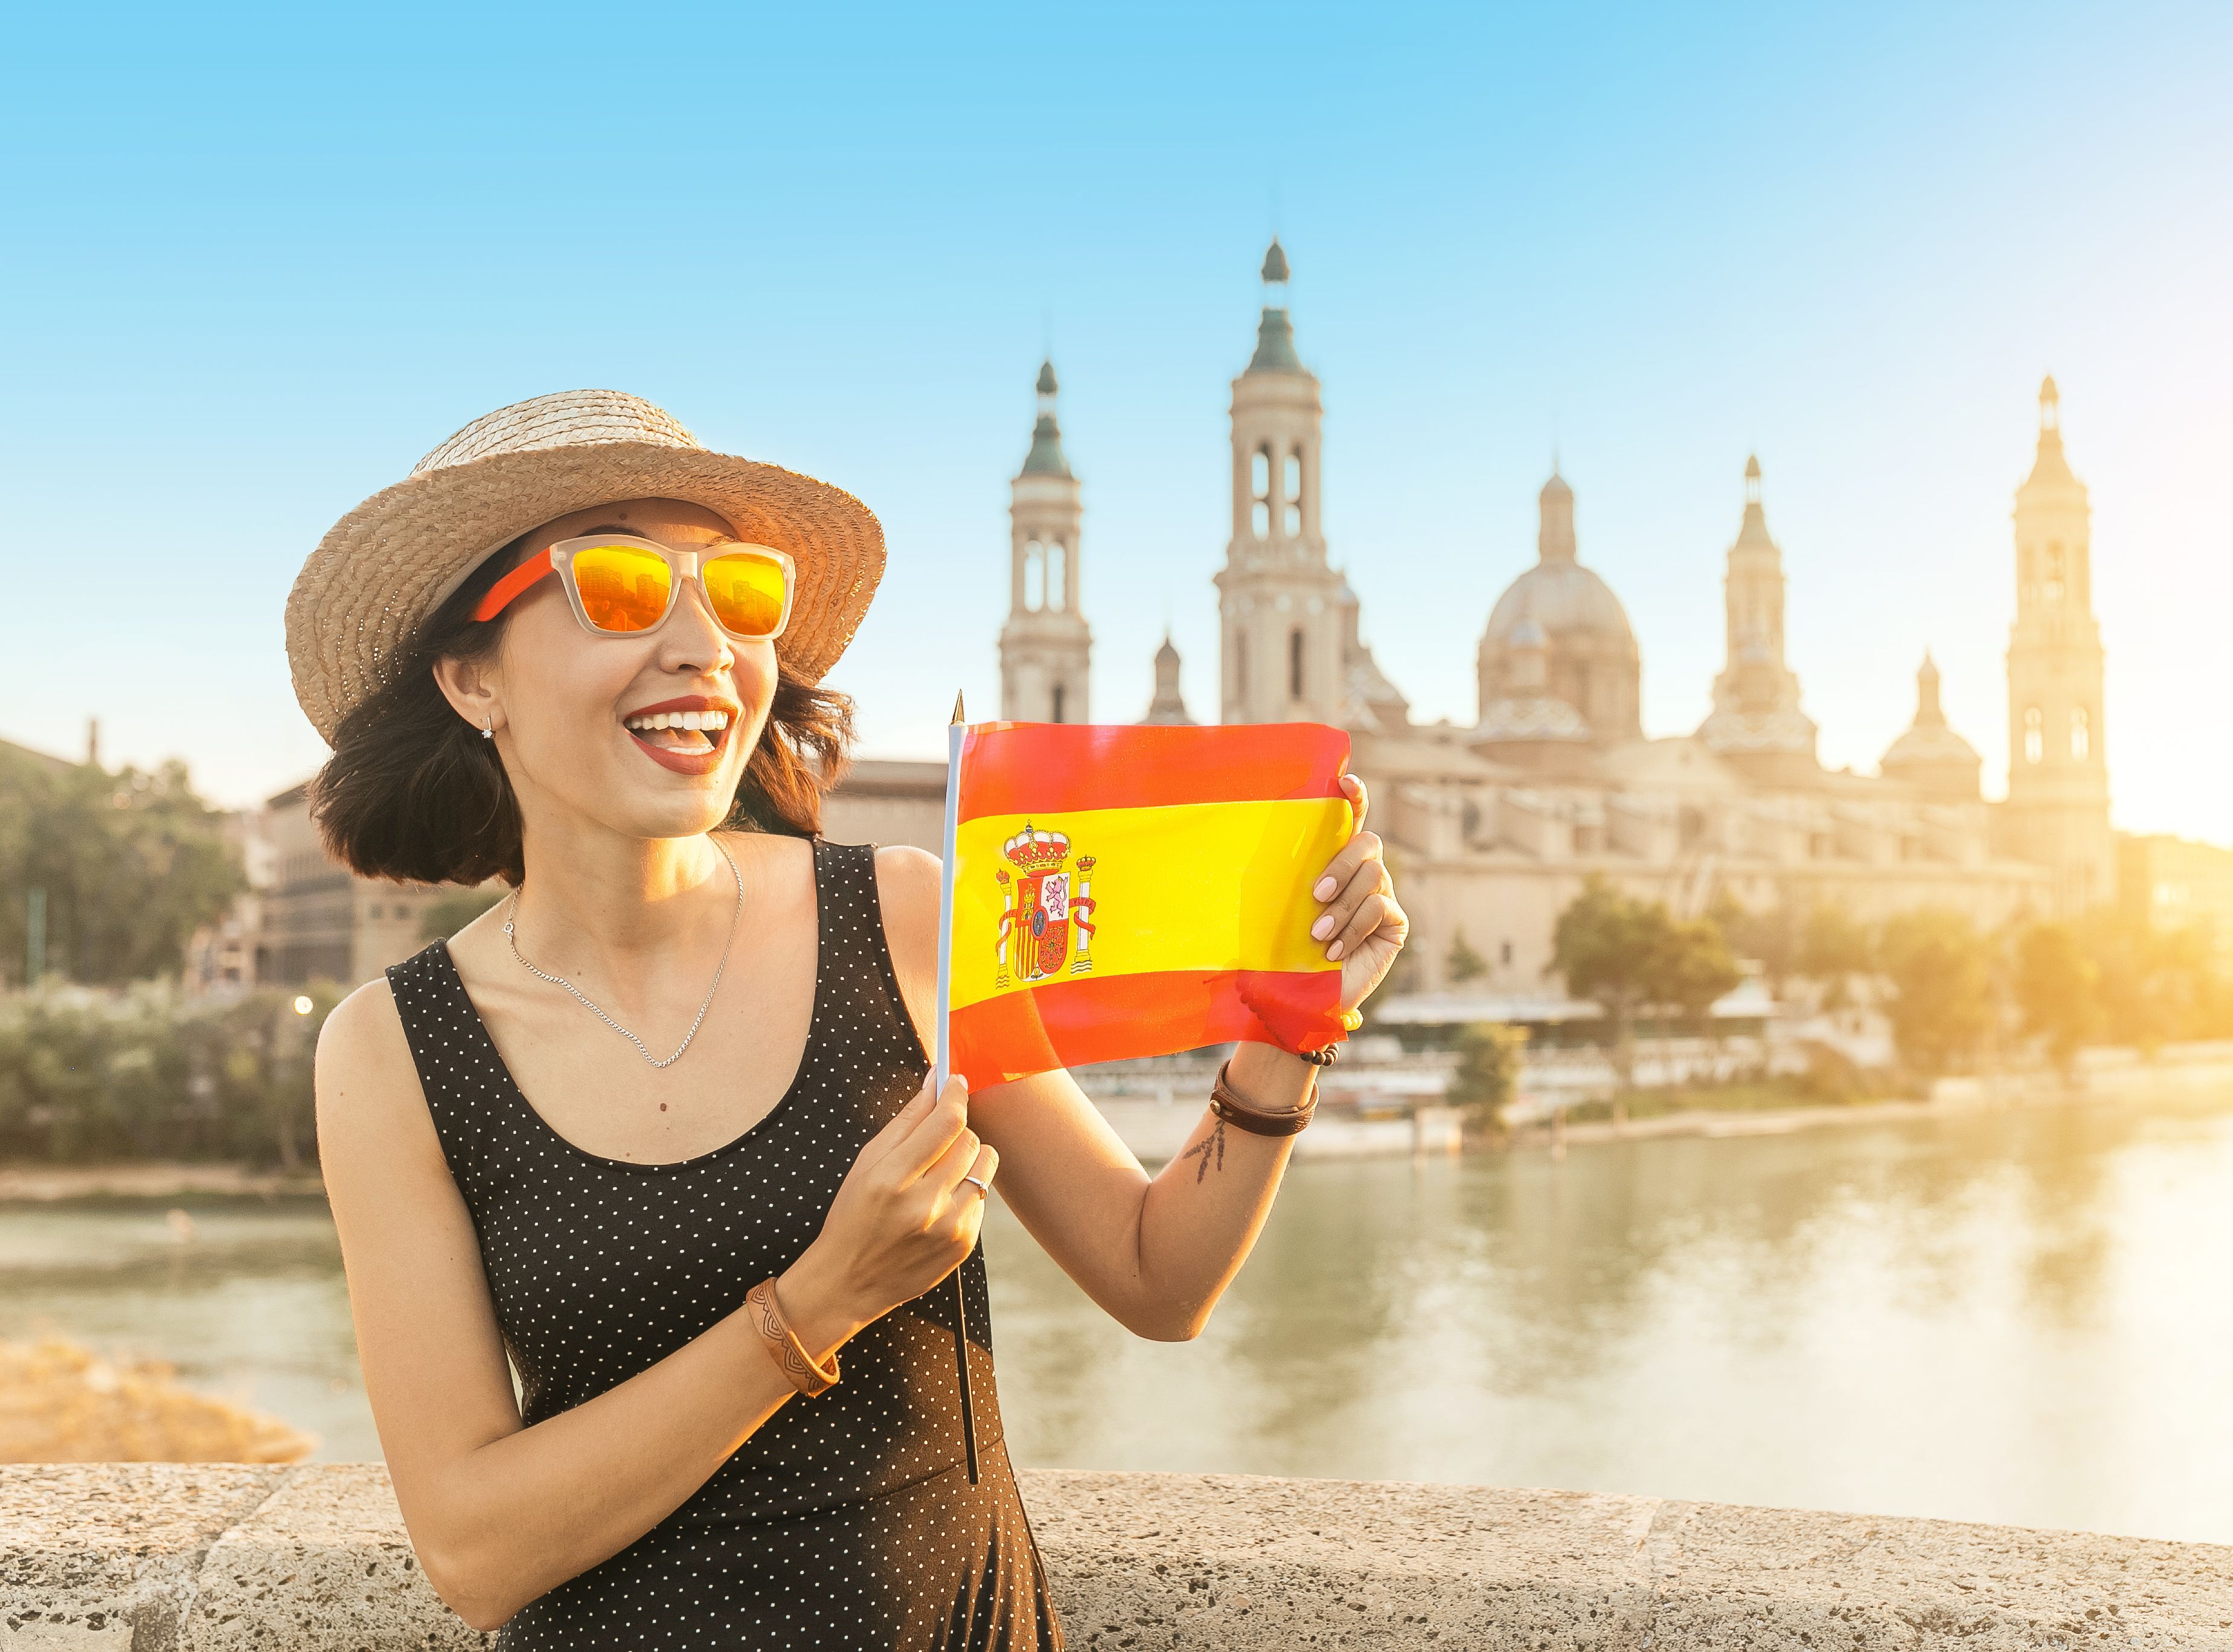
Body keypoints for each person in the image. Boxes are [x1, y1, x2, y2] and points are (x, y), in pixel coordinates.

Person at [296, 389, 1406, 1650]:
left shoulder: (905, 917)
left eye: (740, 594)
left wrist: (1287, 1038)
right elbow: (472, 1551)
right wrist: (821, 1301)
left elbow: (1160, 1280)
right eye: (618, 588)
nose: (703, 644)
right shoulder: (392, 1051)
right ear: (469, 675)